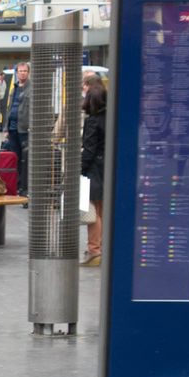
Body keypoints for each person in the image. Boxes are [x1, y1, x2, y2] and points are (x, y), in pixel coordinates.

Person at [81, 72, 108, 267]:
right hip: (107, 167)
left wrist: (78, 170)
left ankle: (94, 250)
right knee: (102, 210)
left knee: (91, 212)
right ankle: (102, 248)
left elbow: (89, 150)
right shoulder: (111, 117)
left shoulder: (92, 121)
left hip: (93, 169)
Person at [4, 63, 31, 196]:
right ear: (17, 73)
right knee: (15, 157)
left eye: (25, 71)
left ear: (28, 72)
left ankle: (24, 187)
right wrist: (6, 127)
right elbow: (9, 108)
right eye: (20, 71)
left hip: (24, 129)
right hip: (12, 128)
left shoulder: (32, 88)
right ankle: (18, 184)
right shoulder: (14, 87)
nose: (22, 73)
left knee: (24, 159)